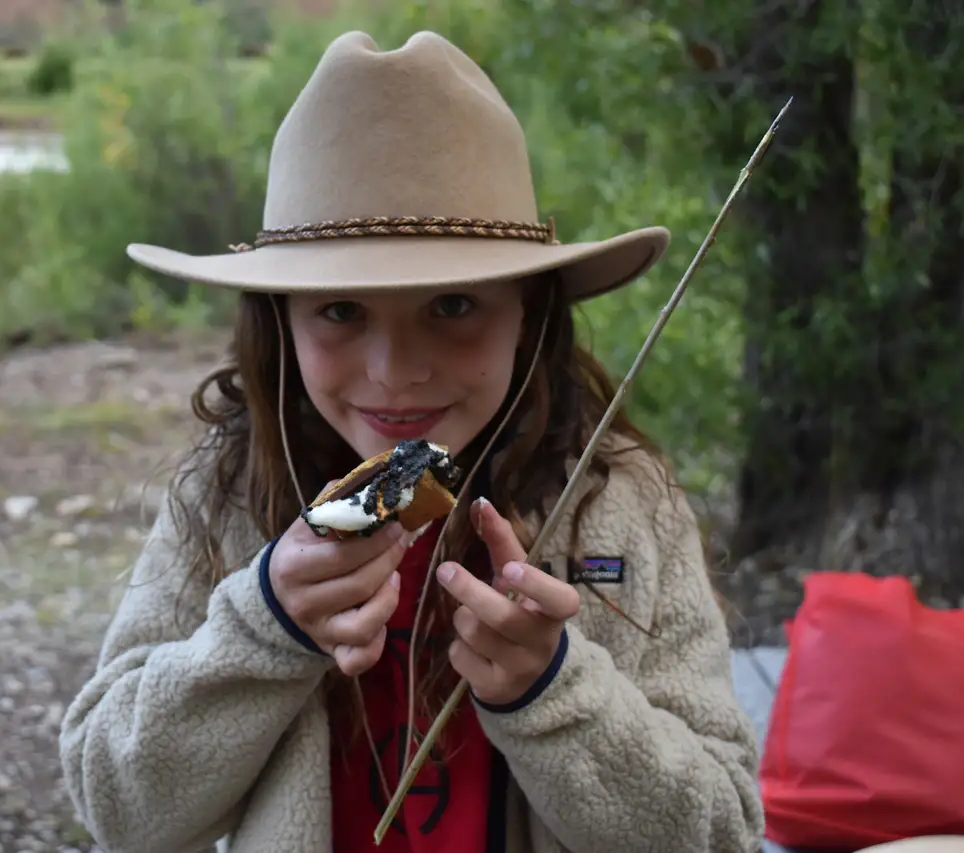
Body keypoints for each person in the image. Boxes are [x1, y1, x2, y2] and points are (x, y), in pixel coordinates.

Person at [59, 29, 766, 853]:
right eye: (342, 312)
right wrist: (266, 625)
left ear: (530, 315)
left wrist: (553, 690)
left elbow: (721, 833)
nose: (395, 375)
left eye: (454, 306)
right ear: (279, 326)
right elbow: (116, 809)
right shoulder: (226, 494)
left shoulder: (622, 502)